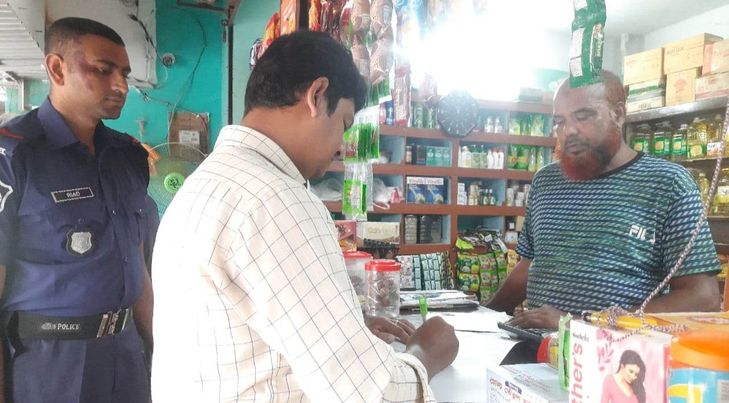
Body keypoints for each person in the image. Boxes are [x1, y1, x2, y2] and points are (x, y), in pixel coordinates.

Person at [151, 30, 458, 402]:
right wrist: (426, 352)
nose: (341, 145)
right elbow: (370, 394)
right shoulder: (277, 199)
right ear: (317, 95)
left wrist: (348, 328)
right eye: (344, 123)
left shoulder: (206, 184)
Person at [488, 71, 720, 330]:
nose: (568, 131)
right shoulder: (546, 181)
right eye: (559, 121)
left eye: (583, 116)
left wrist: (581, 325)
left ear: (618, 114)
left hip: (620, 351)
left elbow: (703, 298)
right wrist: (481, 316)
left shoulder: (668, 184)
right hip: (537, 347)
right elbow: (530, 265)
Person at [0, 17, 152, 402]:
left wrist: (161, 346)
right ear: (57, 68)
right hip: (51, 364)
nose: (121, 86)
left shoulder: (128, 157)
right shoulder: (14, 156)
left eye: (124, 73)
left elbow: (135, 264)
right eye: (103, 70)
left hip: (127, 354)